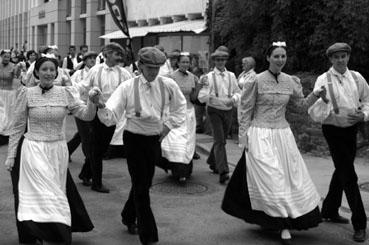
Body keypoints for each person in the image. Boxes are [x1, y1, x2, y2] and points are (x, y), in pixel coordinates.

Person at [222, 41, 326, 244]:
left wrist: (315, 95)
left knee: (290, 178)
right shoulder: (257, 80)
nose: (280, 60)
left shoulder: (290, 81)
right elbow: (245, 109)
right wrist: (244, 137)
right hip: (260, 133)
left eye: (283, 56)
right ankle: (281, 223)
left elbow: (300, 105)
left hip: (283, 135)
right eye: (276, 56)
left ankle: (282, 220)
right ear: (268, 58)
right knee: (271, 177)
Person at [96, 46, 186, 245]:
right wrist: (101, 106)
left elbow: (181, 108)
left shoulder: (168, 84)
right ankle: (148, 235)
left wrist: (168, 127)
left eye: (157, 67)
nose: (153, 72)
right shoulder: (128, 86)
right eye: (150, 67)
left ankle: (128, 215)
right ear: (140, 66)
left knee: (144, 182)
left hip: (155, 138)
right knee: (141, 187)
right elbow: (111, 115)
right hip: (133, 139)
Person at [4, 56, 96, 244]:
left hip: (58, 151)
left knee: (55, 193)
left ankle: (53, 234)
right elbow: (18, 127)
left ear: (57, 73)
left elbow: (86, 115)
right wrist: (11, 156)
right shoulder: (26, 93)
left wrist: (93, 102)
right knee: (40, 193)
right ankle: (39, 233)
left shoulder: (66, 92)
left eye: (52, 70)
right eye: (44, 69)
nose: (48, 73)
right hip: (34, 149)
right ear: (36, 73)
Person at [308, 42, 368, 243]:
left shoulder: (357, 78)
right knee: (349, 175)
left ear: (348, 57)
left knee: (342, 169)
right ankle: (360, 223)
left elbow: (367, 101)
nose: (340, 60)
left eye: (343, 56)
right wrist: (324, 100)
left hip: (351, 129)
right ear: (331, 59)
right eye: (336, 57)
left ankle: (330, 210)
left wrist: (363, 115)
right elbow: (315, 112)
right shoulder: (323, 80)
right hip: (332, 130)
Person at [75, 43, 132, 193]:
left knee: (101, 148)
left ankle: (85, 174)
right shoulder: (96, 70)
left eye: (120, 54)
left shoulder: (124, 73)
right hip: (94, 113)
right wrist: (74, 96)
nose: (119, 57)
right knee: (96, 147)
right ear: (107, 54)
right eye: (116, 53)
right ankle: (97, 183)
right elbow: (83, 86)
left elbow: (129, 90)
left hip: (112, 114)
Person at [197, 45, 241, 184]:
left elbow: (238, 92)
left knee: (220, 140)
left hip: (228, 111)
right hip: (214, 111)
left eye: (223, 59)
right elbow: (201, 97)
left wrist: (233, 100)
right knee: (220, 140)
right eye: (218, 60)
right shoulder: (208, 77)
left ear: (226, 61)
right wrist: (212, 98)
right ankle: (223, 171)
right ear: (214, 61)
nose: (220, 62)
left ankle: (212, 160)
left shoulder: (231, 76)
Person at [160, 52, 198, 183]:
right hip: (175, 113)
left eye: (188, 62)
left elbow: (194, 98)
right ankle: (177, 170)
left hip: (189, 112)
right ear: (178, 63)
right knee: (177, 142)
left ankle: (186, 170)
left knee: (188, 141)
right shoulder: (171, 77)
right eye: (183, 62)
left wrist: (199, 86)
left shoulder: (193, 77)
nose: (185, 64)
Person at [67, 51, 98, 180]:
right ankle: (88, 169)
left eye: (94, 58)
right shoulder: (78, 74)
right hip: (80, 107)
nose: (92, 60)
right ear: (84, 61)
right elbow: (72, 89)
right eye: (89, 58)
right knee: (87, 138)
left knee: (82, 135)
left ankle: (67, 150)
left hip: (95, 108)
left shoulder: (98, 72)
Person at [0, 49, 21, 143]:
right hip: (0, 92)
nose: (6, 59)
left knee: (8, 114)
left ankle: (6, 134)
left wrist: (19, 69)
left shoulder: (13, 66)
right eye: (5, 56)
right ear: (1, 57)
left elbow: (17, 77)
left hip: (9, 93)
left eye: (8, 57)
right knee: (1, 113)